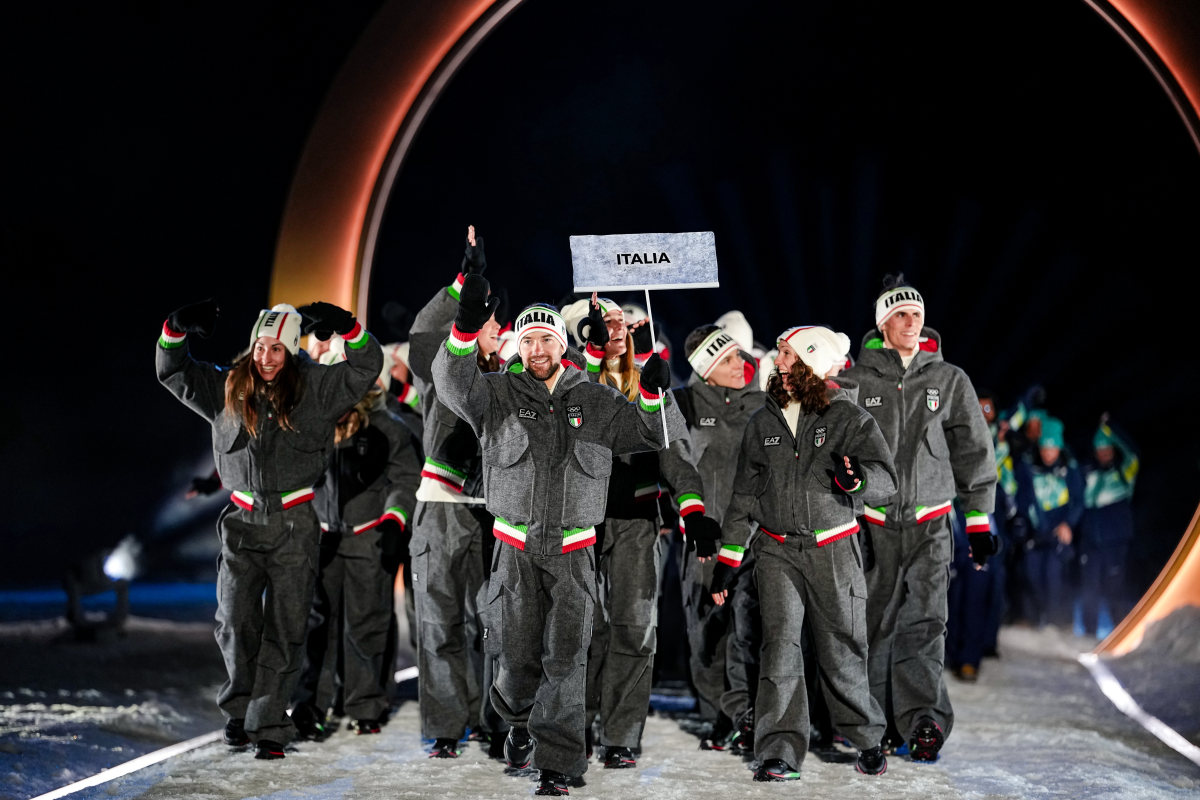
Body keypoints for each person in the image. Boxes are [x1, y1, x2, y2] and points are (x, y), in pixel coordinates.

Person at [433, 275, 672, 796]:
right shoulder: (495, 393)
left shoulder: (595, 397)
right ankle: (519, 717)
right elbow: (450, 382)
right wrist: (466, 326)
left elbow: (650, 433)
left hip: (574, 553)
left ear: (561, 345)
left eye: (546, 339)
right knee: (516, 659)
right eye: (528, 341)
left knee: (567, 660)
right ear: (518, 346)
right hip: (514, 550)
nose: (537, 349)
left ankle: (558, 765)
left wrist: (654, 394)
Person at [156, 298, 382, 759]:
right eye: (260, 347)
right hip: (240, 522)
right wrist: (173, 329)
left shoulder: (318, 388)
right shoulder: (227, 385)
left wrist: (349, 328)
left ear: (291, 350)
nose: (266, 357)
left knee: (287, 625)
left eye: (277, 349)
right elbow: (173, 371)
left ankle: (270, 725)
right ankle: (241, 711)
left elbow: (366, 366)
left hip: (293, 523)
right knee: (234, 622)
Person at [714, 325, 897, 780]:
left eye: (786, 354)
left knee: (842, 649)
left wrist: (858, 481)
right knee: (779, 648)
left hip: (833, 549)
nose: (777, 362)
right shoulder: (764, 421)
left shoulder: (849, 417)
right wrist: (729, 557)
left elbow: (887, 481)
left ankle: (867, 736)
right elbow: (745, 495)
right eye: (779, 353)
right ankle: (779, 749)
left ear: (811, 360)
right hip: (776, 551)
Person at [843, 275, 996, 761]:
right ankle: (877, 723)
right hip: (873, 523)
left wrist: (979, 521)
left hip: (931, 521)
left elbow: (974, 451)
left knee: (926, 621)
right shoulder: (855, 380)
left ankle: (924, 721)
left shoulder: (949, 379)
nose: (911, 323)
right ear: (882, 325)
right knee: (875, 624)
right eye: (900, 315)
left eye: (916, 314)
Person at [568, 296, 716, 768]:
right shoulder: (568, 379)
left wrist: (692, 511)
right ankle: (575, 725)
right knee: (582, 630)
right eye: (605, 322)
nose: (619, 329)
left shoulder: (649, 383)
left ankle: (620, 735)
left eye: (623, 323)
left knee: (634, 627)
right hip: (578, 523)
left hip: (636, 522)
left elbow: (677, 454)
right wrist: (591, 357)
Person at [406, 227, 504, 758]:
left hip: (494, 516)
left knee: (495, 625)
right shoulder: (437, 368)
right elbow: (425, 331)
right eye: (485, 321)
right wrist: (464, 280)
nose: (494, 328)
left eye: (495, 323)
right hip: (441, 511)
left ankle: (494, 719)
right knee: (439, 620)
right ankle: (447, 727)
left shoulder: (513, 378)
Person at [291, 338, 421, 739]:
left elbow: (405, 479)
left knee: (367, 624)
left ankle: (366, 705)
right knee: (319, 627)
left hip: (369, 538)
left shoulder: (387, 426)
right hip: (324, 539)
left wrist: (394, 520)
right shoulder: (312, 426)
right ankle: (312, 706)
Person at [662, 320, 767, 751]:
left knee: (749, 630)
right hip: (703, 541)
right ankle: (717, 715)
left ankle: (746, 714)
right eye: (727, 359)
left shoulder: (766, 402)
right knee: (707, 632)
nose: (740, 363)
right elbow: (674, 464)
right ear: (706, 370)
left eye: (739, 354)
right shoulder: (682, 403)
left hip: (756, 540)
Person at [1015, 417, 1084, 628]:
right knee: (1031, 573)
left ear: (1059, 448)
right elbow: (1024, 497)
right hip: (1037, 532)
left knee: (1053, 575)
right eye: (1044, 448)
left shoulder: (1069, 468)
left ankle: (1057, 622)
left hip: (1058, 531)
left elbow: (1079, 500)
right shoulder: (1030, 466)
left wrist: (1068, 524)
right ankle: (1038, 618)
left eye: (1052, 449)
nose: (1048, 453)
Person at [1080, 416, 1139, 636]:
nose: (1103, 453)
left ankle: (1121, 633)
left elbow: (1133, 454)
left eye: (1107, 449)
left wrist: (1111, 429)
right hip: (1091, 542)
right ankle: (1088, 634)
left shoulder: (1124, 472)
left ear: (1113, 449)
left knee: (1115, 588)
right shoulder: (1089, 473)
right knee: (1090, 589)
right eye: (1099, 450)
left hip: (1116, 541)